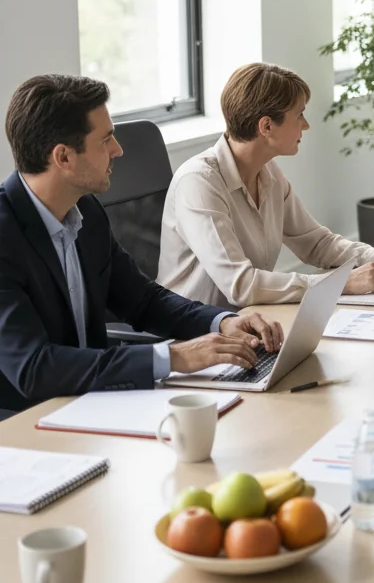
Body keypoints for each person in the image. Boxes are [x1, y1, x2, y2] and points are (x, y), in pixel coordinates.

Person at [0, 75, 284, 416]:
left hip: (92, 402)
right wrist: (175, 357)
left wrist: (222, 322)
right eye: (105, 140)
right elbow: (33, 369)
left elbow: (144, 300)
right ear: (63, 157)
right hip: (25, 425)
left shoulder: (85, 211)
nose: (118, 150)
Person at [158, 63, 374, 310]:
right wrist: (339, 283)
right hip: (195, 338)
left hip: (247, 323)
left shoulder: (267, 173)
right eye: (299, 115)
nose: (306, 125)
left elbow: (316, 242)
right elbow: (240, 285)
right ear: (266, 126)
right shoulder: (199, 183)